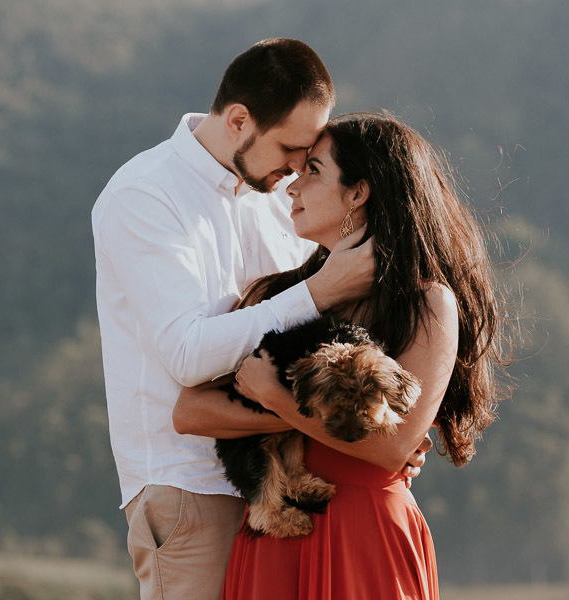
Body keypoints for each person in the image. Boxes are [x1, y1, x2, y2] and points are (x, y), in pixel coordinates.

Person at [92, 40, 429, 600]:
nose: (298, 169)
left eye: (308, 158)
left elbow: (298, 344)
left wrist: (371, 426)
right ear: (239, 120)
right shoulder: (144, 196)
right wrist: (320, 290)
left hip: (293, 479)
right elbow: (188, 354)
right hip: (191, 486)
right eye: (292, 148)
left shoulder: (274, 194)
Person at [173, 112, 510, 599]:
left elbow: (393, 448)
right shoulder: (277, 295)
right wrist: (316, 419)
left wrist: (275, 399)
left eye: (312, 170)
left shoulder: (426, 302)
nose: (291, 186)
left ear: (358, 192)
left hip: (367, 534)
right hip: (278, 536)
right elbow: (190, 410)